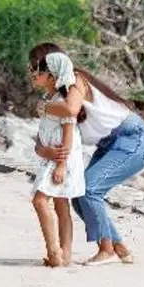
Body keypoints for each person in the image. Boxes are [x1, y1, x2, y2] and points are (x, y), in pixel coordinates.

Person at [30, 42, 144, 266]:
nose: (34, 72)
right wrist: (45, 150)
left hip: (132, 138)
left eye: (37, 67)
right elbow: (47, 135)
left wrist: (43, 107)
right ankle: (120, 247)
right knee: (79, 195)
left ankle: (107, 249)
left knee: (91, 189)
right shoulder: (57, 95)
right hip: (109, 144)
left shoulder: (75, 81)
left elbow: (71, 110)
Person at [28, 50, 85, 267]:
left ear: (52, 76)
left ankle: (55, 252)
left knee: (40, 200)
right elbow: (44, 131)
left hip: (61, 159)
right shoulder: (50, 99)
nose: (35, 74)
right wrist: (41, 149)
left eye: (39, 72)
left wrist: (61, 165)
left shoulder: (61, 101)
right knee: (61, 205)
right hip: (51, 157)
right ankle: (64, 255)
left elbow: (69, 131)